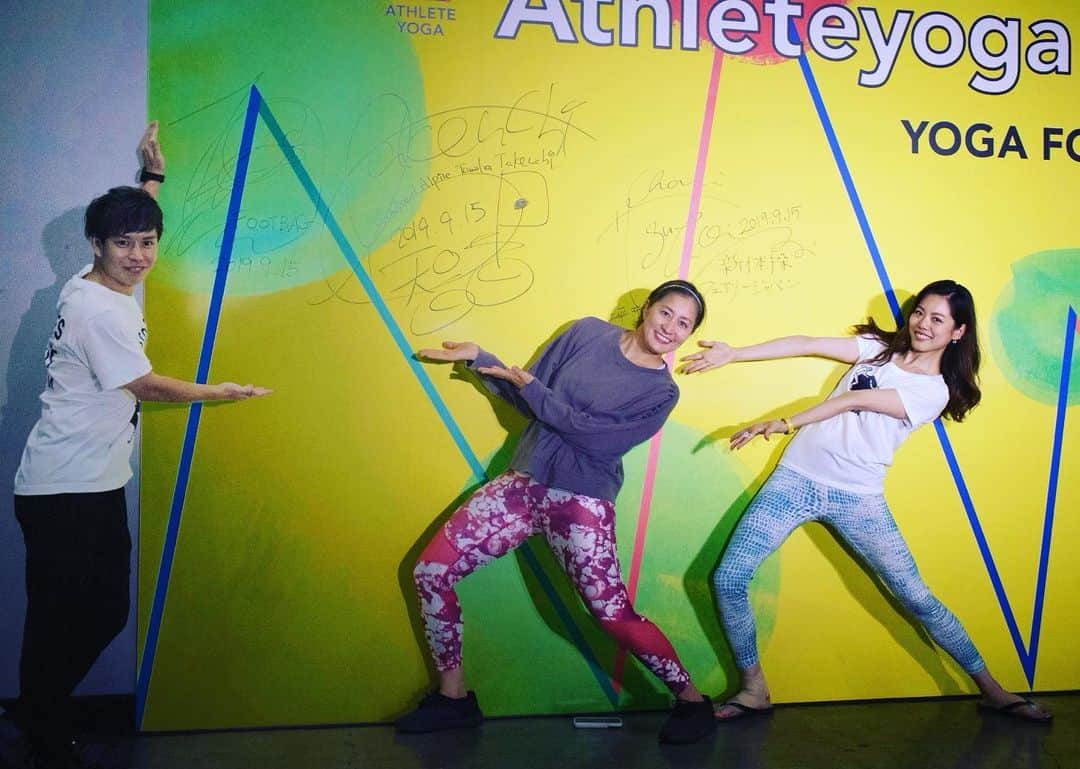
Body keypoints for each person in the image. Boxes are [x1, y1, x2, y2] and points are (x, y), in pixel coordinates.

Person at [8, 123, 271, 764]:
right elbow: (147, 388)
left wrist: (150, 178)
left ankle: (41, 721)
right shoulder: (100, 312)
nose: (138, 255)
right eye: (123, 243)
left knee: (69, 616)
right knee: (85, 617)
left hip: (79, 481)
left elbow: (130, 222)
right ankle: (42, 725)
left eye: (147, 241)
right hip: (68, 487)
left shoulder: (89, 283)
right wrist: (221, 392)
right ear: (95, 245)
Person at [680, 280, 1052, 723]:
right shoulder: (877, 347)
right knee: (728, 578)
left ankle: (992, 689)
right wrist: (734, 353)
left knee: (917, 599)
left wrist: (784, 422)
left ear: (958, 332)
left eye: (938, 319)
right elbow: (807, 343)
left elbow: (854, 399)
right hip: (795, 479)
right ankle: (755, 688)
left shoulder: (934, 391)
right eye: (919, 312)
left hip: (857, 498)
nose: (923, 324)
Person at [396, 280, 717, 744]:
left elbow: (598, 438)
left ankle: (690, 701)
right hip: (525, 480)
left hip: (582, 501)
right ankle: (453, 699)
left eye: (683, 324)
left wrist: (538, 394)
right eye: (666, 313)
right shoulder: (586, 333)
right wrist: (478, 359)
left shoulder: (662, 392)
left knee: (610, 613)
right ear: (647, 309)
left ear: (688, 335)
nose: (670, 328)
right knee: (430, 572)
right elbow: (523, 392)